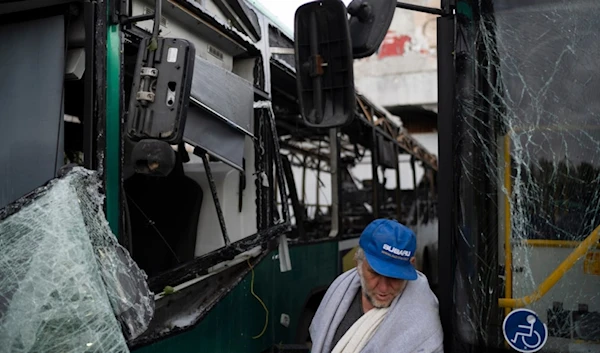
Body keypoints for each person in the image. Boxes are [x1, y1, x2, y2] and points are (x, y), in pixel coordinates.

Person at [309, 219, 444, 353]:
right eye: (374, 273)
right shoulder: (339, 289)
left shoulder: (423, 316)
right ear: (358, 263)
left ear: (411, 265)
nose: (383, 288)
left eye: (395, 277)